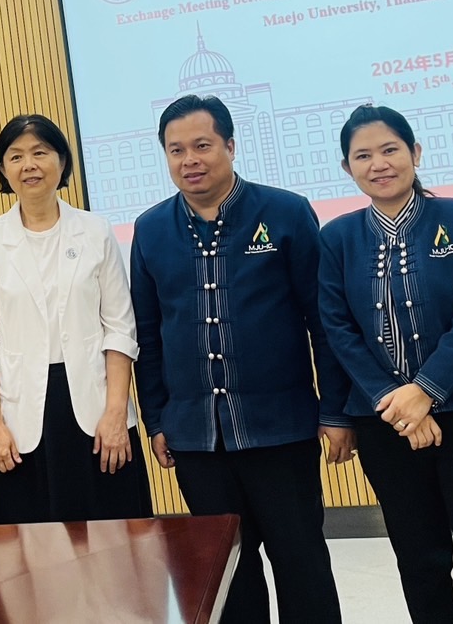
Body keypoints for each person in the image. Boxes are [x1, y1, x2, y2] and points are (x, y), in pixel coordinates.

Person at [129, 94, 351, 624]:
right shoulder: (151, 228)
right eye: (176, 150)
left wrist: (336, 410)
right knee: (227, 571)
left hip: (281, 429)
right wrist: (157, 419)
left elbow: (323, 319)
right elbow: (148, 334)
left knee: (300, 562)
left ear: (229, 145)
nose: (190, 160)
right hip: (197, 438)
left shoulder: (286, 212)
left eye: (202, 145)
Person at [317, 105, 453, 622]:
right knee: (421, 565)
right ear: (347, 168)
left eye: (390, 149)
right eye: (362, 156)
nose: (379, 164)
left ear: (414, 152)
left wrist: (425, 392)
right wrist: (398, 406)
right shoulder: (337, 237)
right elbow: (338, 328)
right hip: (385, 425)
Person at [0, 114, 152, 524]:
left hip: (96, 408)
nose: (29, 165)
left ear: (62, 161)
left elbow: (120, 329)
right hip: (19, 417)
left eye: (40, 152)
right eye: (16, 156)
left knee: (114, 540)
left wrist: (116, 412)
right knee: (31, 549)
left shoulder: (96, 231)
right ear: (3, 169)